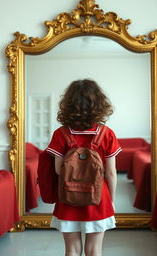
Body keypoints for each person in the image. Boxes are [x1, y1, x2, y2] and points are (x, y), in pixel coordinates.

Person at [46, 79, 121, 256]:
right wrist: (111, 200)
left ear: (68, 104)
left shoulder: (60, 134)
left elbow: (58, 170)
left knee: (71, 249)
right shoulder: (107, 133)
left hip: (67, 196)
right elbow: (110, 172)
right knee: (94, 250)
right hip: (98, 197)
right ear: (99, 104)